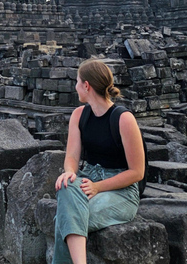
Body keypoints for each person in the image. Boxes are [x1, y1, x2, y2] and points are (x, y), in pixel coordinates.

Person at [52, 58, 145, 264]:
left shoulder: (123, 118)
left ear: (86, 85)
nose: (75, 87)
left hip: (121, 190)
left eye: (77, 82)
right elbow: (72, 157)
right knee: (66, 185)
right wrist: (69, 171)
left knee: (64, 220)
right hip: (87, 180)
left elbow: (137, 172)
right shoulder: (78, 115)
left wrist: (98, 187)